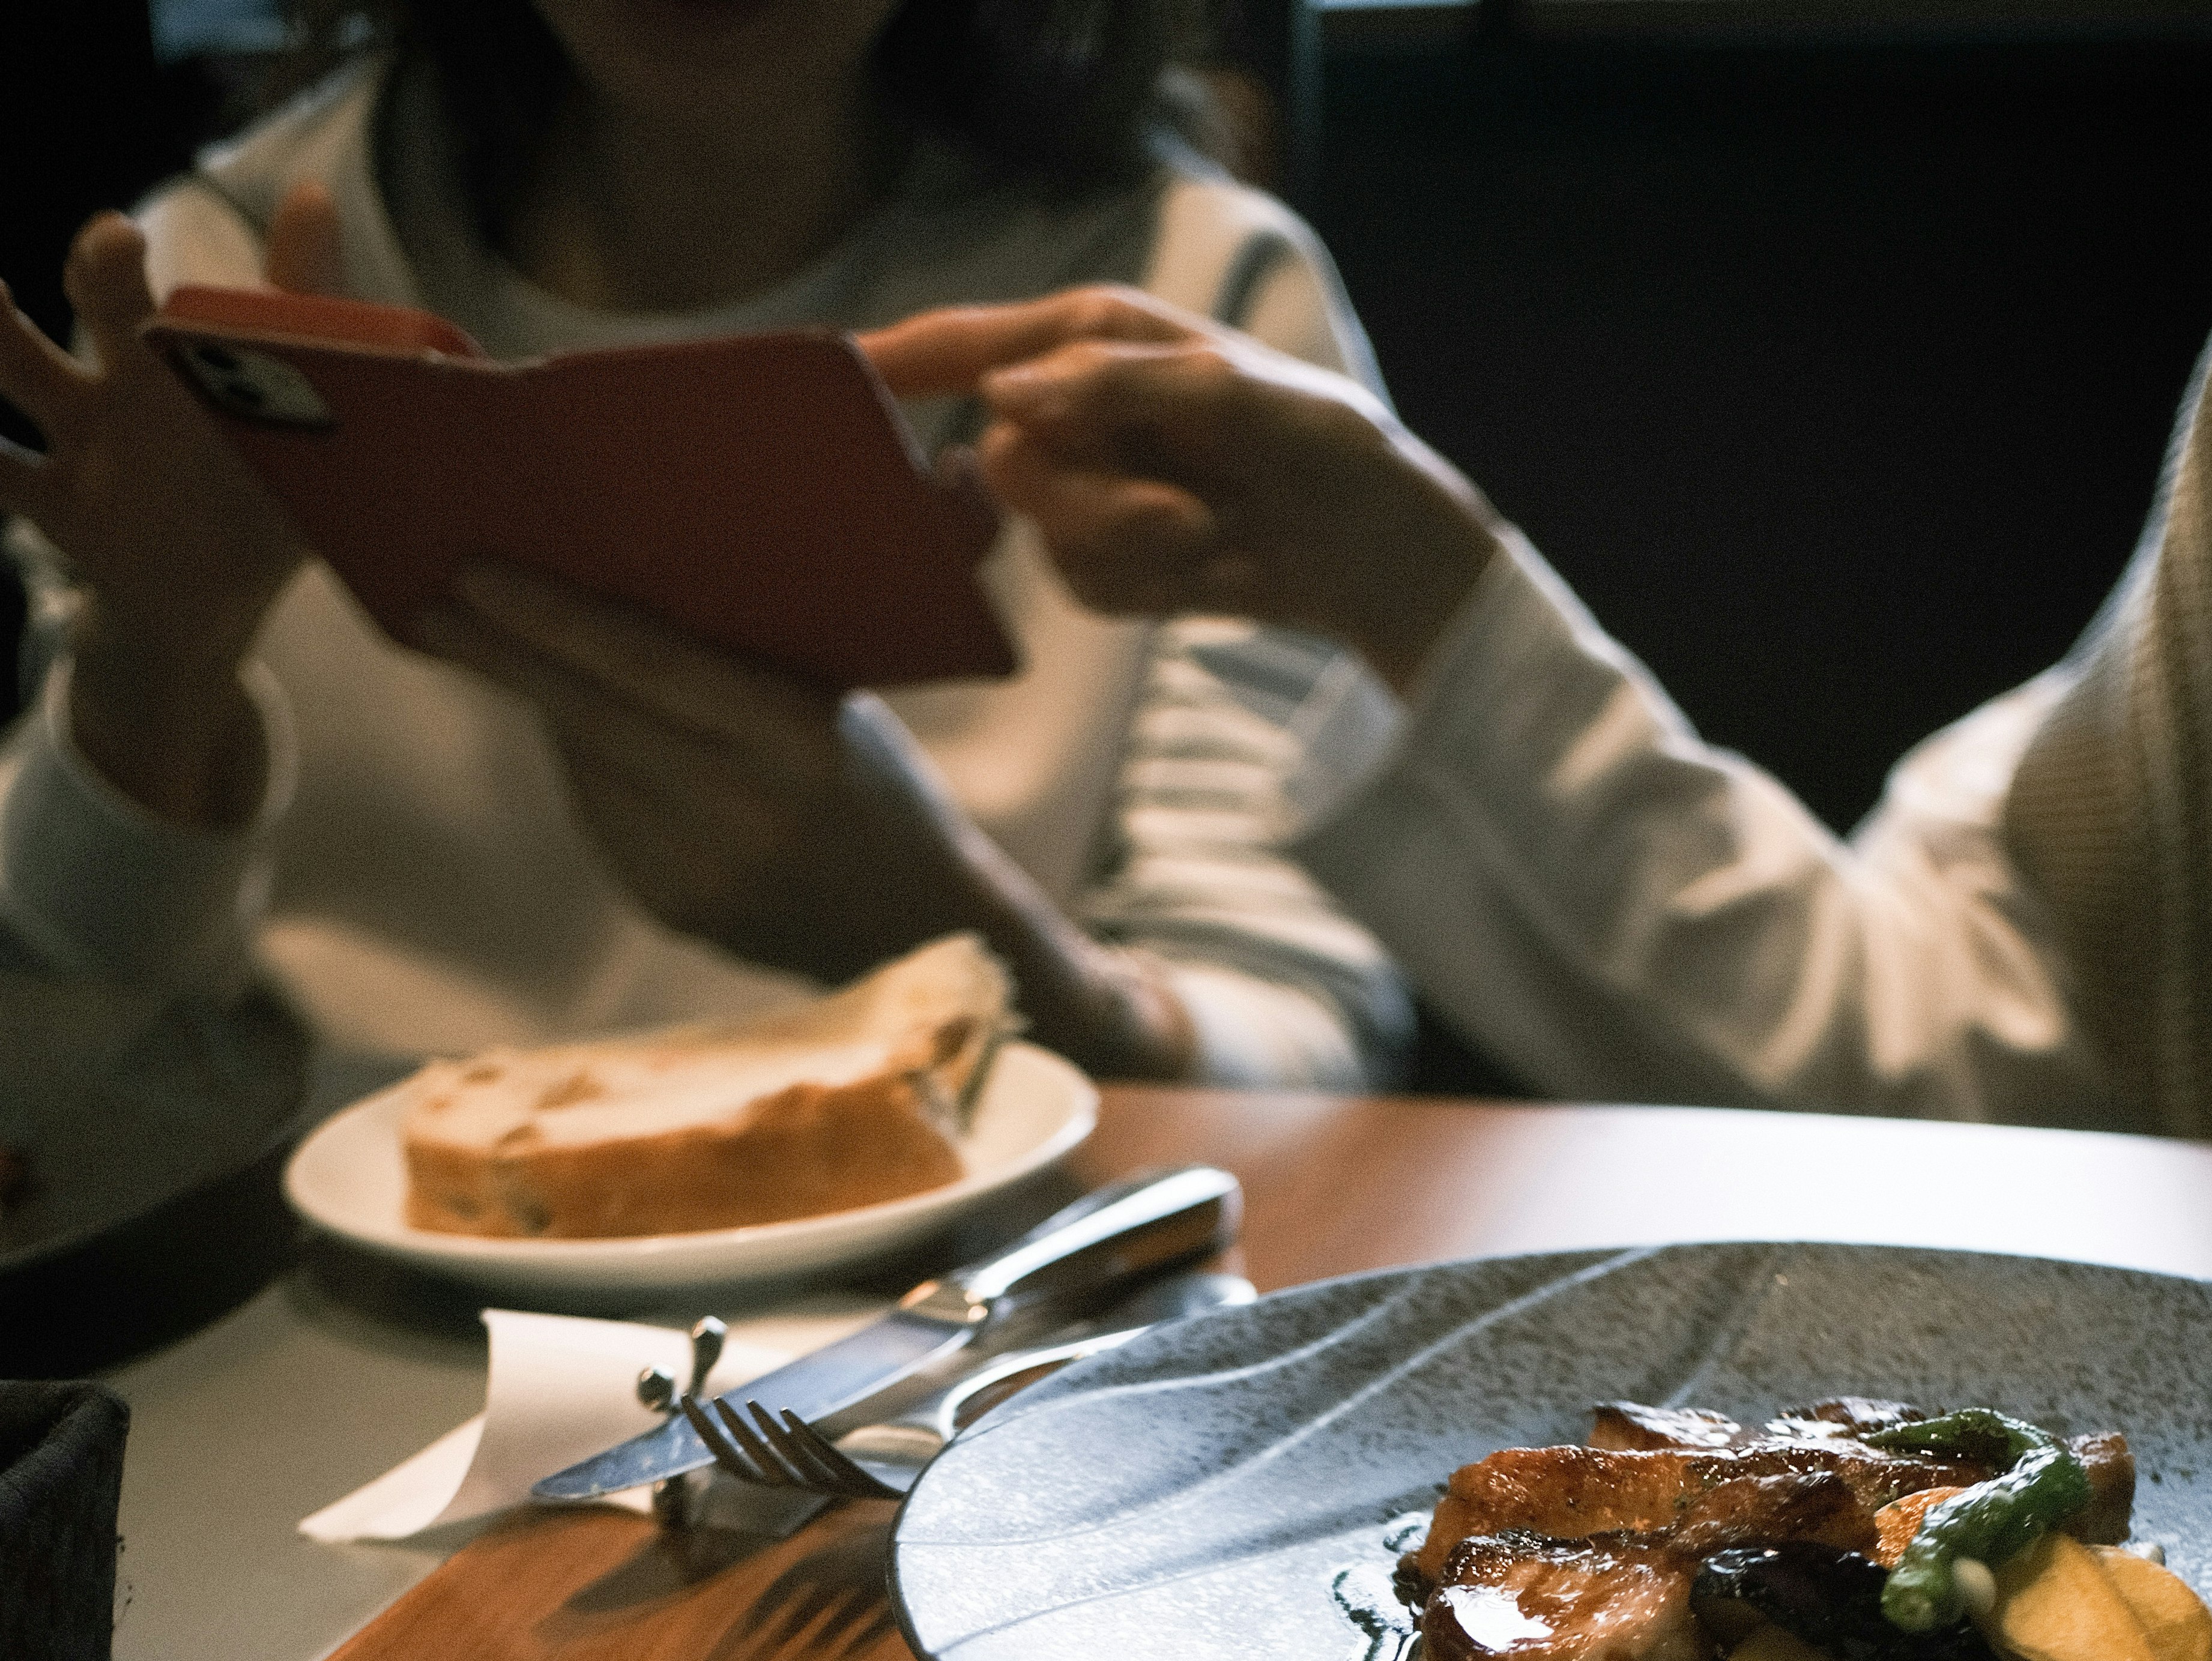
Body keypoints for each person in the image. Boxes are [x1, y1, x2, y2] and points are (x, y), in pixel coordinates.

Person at [0, 0, 1409, 1128]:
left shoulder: (1185, 298)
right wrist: (150, 667)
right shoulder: (231, 283)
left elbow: (1310, 1066)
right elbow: (70, 1046)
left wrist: (954, 935)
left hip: (981, 1329)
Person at [867, 207, 2212, 1150]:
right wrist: (1412, 587)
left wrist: (896, 900)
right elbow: (1962, 1062)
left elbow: (1281, 1054)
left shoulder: (1194, 252)